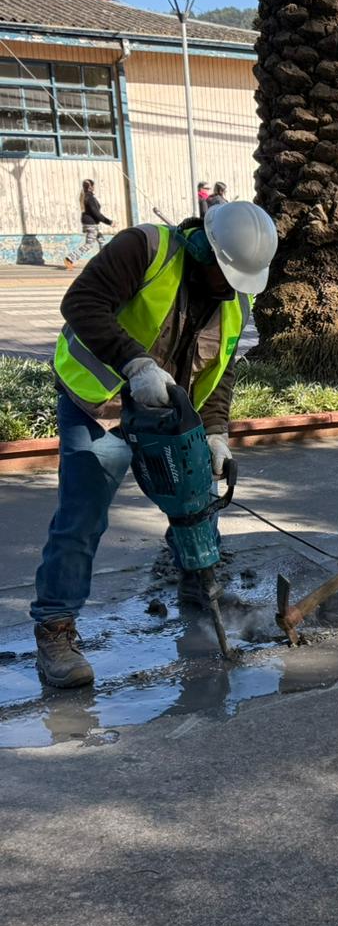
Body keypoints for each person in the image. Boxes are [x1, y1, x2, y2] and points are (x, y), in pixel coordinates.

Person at [30, 201, 278, 689]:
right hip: (100, 405)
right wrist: (135, 364)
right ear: (205, 250)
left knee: (197, 508)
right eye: (227, 275)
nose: (231, 288)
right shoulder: (145, 249)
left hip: (170, 418)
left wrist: (216, 432)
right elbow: (81, 304)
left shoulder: (235, 297)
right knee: (82, 519)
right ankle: (55, 630)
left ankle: (200, 599)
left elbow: (222, 370)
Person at [63, 179, 113, 269]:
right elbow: (96, 213)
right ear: (91, 187)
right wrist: (109, 222)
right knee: (89, 244)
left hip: (91, 223)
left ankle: (104, 262)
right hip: (91, 224)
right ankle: (69, 259)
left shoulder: (87, 196)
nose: (94, 187)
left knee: (101, 240)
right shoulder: (90, 198)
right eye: (93, 186)